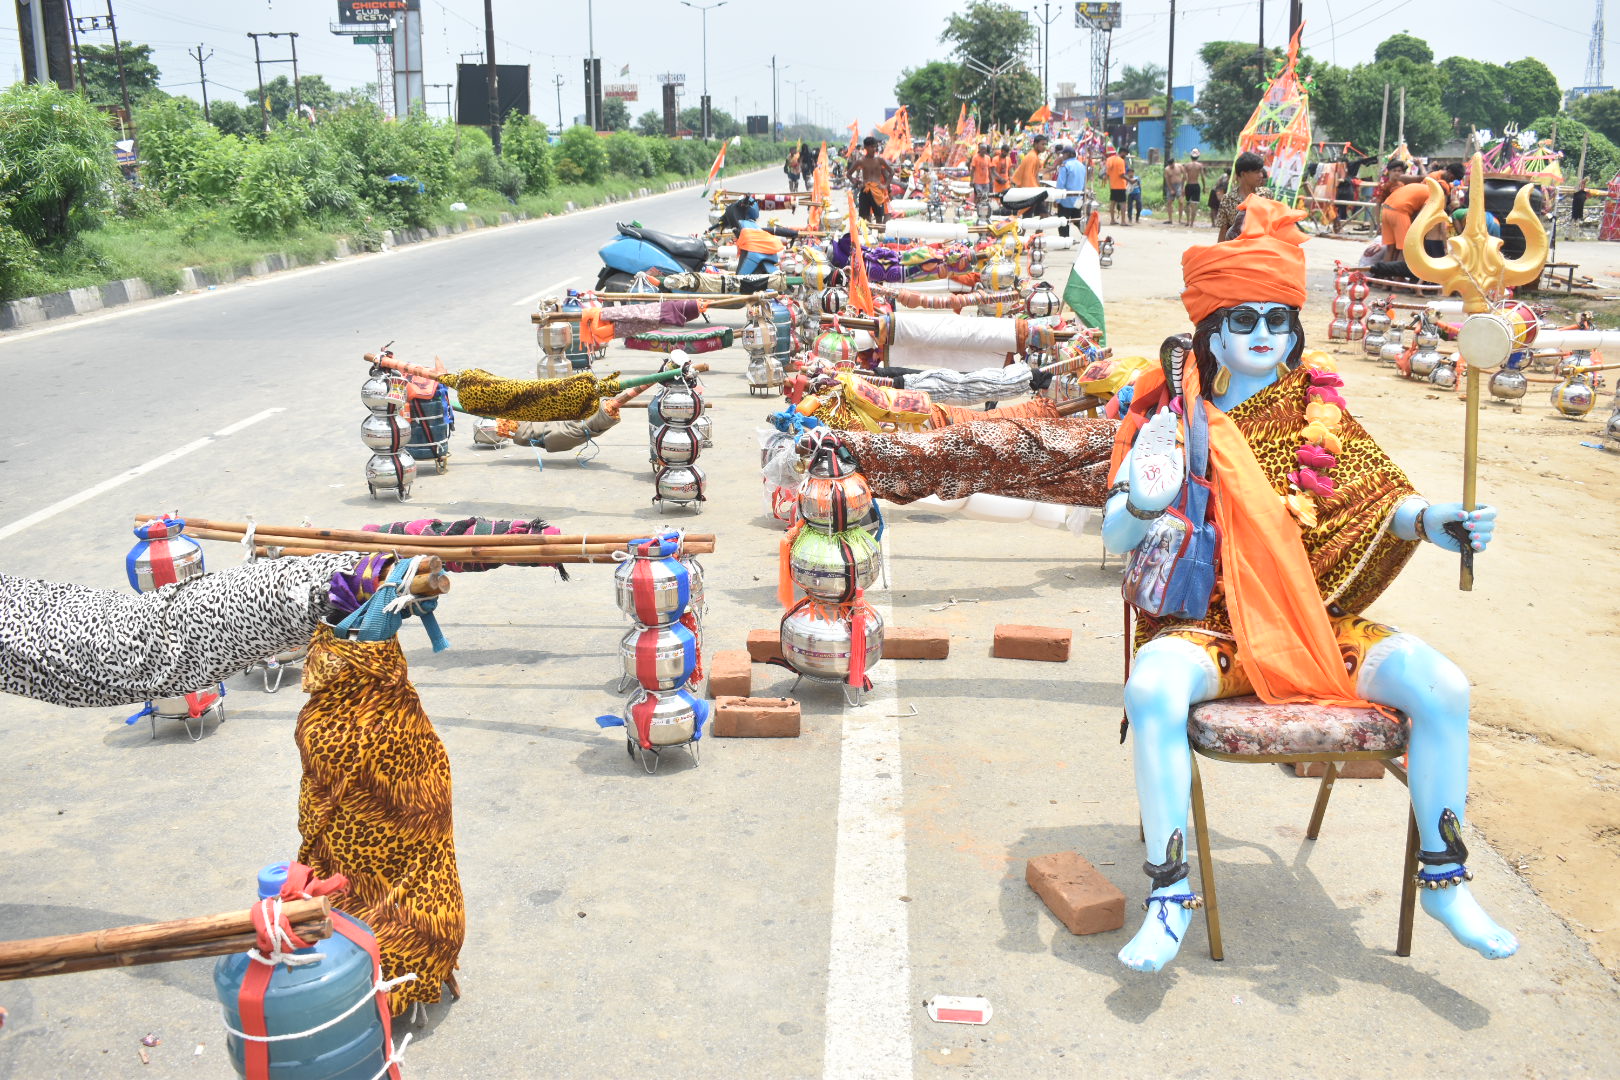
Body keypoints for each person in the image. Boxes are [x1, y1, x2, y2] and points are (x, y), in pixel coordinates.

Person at [1104, 196, 1515, 973]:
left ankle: (1446, 877)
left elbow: (1378, 500)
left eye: (1278, 320)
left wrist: (1439, 521)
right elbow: (1114, 535)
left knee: (1444, 686)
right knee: (1152, 690)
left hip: (1314, 624)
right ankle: (1168, 895)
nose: (1263, 335)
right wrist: (1144, 504)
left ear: (1296, 330)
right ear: (1211, 328)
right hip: (1208, 631)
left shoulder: (1316, 411)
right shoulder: (1173, 419)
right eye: (1244, 318)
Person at [1213, 151, 1267, 240]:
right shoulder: (1228, 199)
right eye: (1257, 172)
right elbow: (1223, 232)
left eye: (1261, 172)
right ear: (1243, 174)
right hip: (1236, 250)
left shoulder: (1265, 195)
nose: (1261, 175)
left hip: (1260, 250)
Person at [850, 135, 894, 224]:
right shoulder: (861, 161)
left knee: (879, 217)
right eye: (871, 147)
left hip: (877, 190)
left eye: (875, 147)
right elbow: (848, 174)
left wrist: (885, 185)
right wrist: (855, 181)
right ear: (865, 147)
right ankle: (867, 236)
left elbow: (891, 172)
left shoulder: (879, 160)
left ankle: (879, 236)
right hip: (865, 190)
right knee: (865, 218)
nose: (874, 149)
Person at [1055, 144, 1088, 238]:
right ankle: (1088, 235)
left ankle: (1065, 241)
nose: (1062, 156)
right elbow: (1084, 183)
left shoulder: (1065, 166)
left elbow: (1061, 183)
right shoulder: (1081, 166)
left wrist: (1057, 199)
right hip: (1078, 198)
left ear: (1068, 154)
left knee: (1063, 221)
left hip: (1066, 199)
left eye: (1063, 154)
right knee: (1077, 219)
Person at [1104, 144, 1128, 225]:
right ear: (1123, 152)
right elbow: (1121, 174)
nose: (1126, 156)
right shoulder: (1121, 161)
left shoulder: (1109, 159)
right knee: (1123, 203)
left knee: (1112, 203)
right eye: (1126, 154)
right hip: (1120, 185)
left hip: (1113, 185)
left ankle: (1112, 220)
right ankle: (1123, 221)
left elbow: (1107, 174)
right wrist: (1130, 180)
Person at [1181, 148, 1204, 227]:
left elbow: (1184, 177)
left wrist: (1182, 187)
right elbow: (1202, 177)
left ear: (1191, 156)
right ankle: (1192, 223)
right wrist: (1204, 187)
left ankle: (1187, 221)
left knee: (1187, 204)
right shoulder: (1200, 165)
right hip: (1196, 185)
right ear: (1198, 157)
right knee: (1194, 205)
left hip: (1189, 185)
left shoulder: (1186, 165)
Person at [971, 142, 993, 207]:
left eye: (985, 149)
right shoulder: (975, 158)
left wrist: (991, 179)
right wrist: (971, 180)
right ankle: (976, 206)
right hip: (977, 181)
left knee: (985, 196)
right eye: (982, 149)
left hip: (986, 181)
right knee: (979, 195)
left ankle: (983, 208)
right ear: (979, 149)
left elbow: (989, 169)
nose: (984, 151)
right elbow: (972, 170)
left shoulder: (988, 158)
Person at [1163, 157, 1184, 225]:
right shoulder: (1167, 169)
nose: (1171, 166)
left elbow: (1185, 175)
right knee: (1169, 202)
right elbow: (1167, 180)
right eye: (1169, 165)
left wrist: (1183, 186)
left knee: (1181, 202)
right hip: (1171, 185)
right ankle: (1170, 219)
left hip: (1179, 185)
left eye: (1172, 164)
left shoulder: (1179, 166)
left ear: (1174, 163)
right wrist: (1171, 189)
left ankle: (1180, 220)